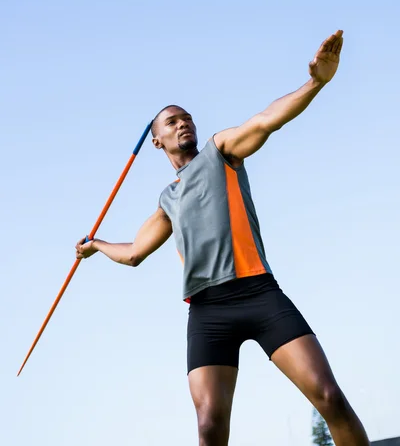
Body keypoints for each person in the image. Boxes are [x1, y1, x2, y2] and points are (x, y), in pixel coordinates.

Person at [76, 29, 370, 446]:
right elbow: (135, 253)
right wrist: (96, 246)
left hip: (259, 294)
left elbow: (267, 120)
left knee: (328, 396)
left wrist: (316, 82)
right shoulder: (167, 200)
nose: (184, 123)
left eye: (187, 117)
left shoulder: (221, 151)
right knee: (210, 427)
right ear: (157, 139)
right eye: (172, 121)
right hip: (208, 312)